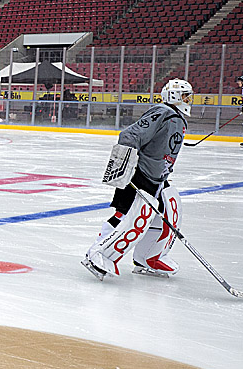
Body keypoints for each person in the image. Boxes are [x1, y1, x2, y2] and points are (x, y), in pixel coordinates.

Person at [82, 78, 192, 282]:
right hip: (140, 174)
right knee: (127, 215)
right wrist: (124, 166)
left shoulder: (175, 117)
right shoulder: (163, 112)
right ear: (175, 96)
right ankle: (99, 252)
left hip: (156, 177)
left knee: (169, 209)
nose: (188, 99)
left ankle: (149, 257)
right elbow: (129, 135)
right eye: (185, 95)